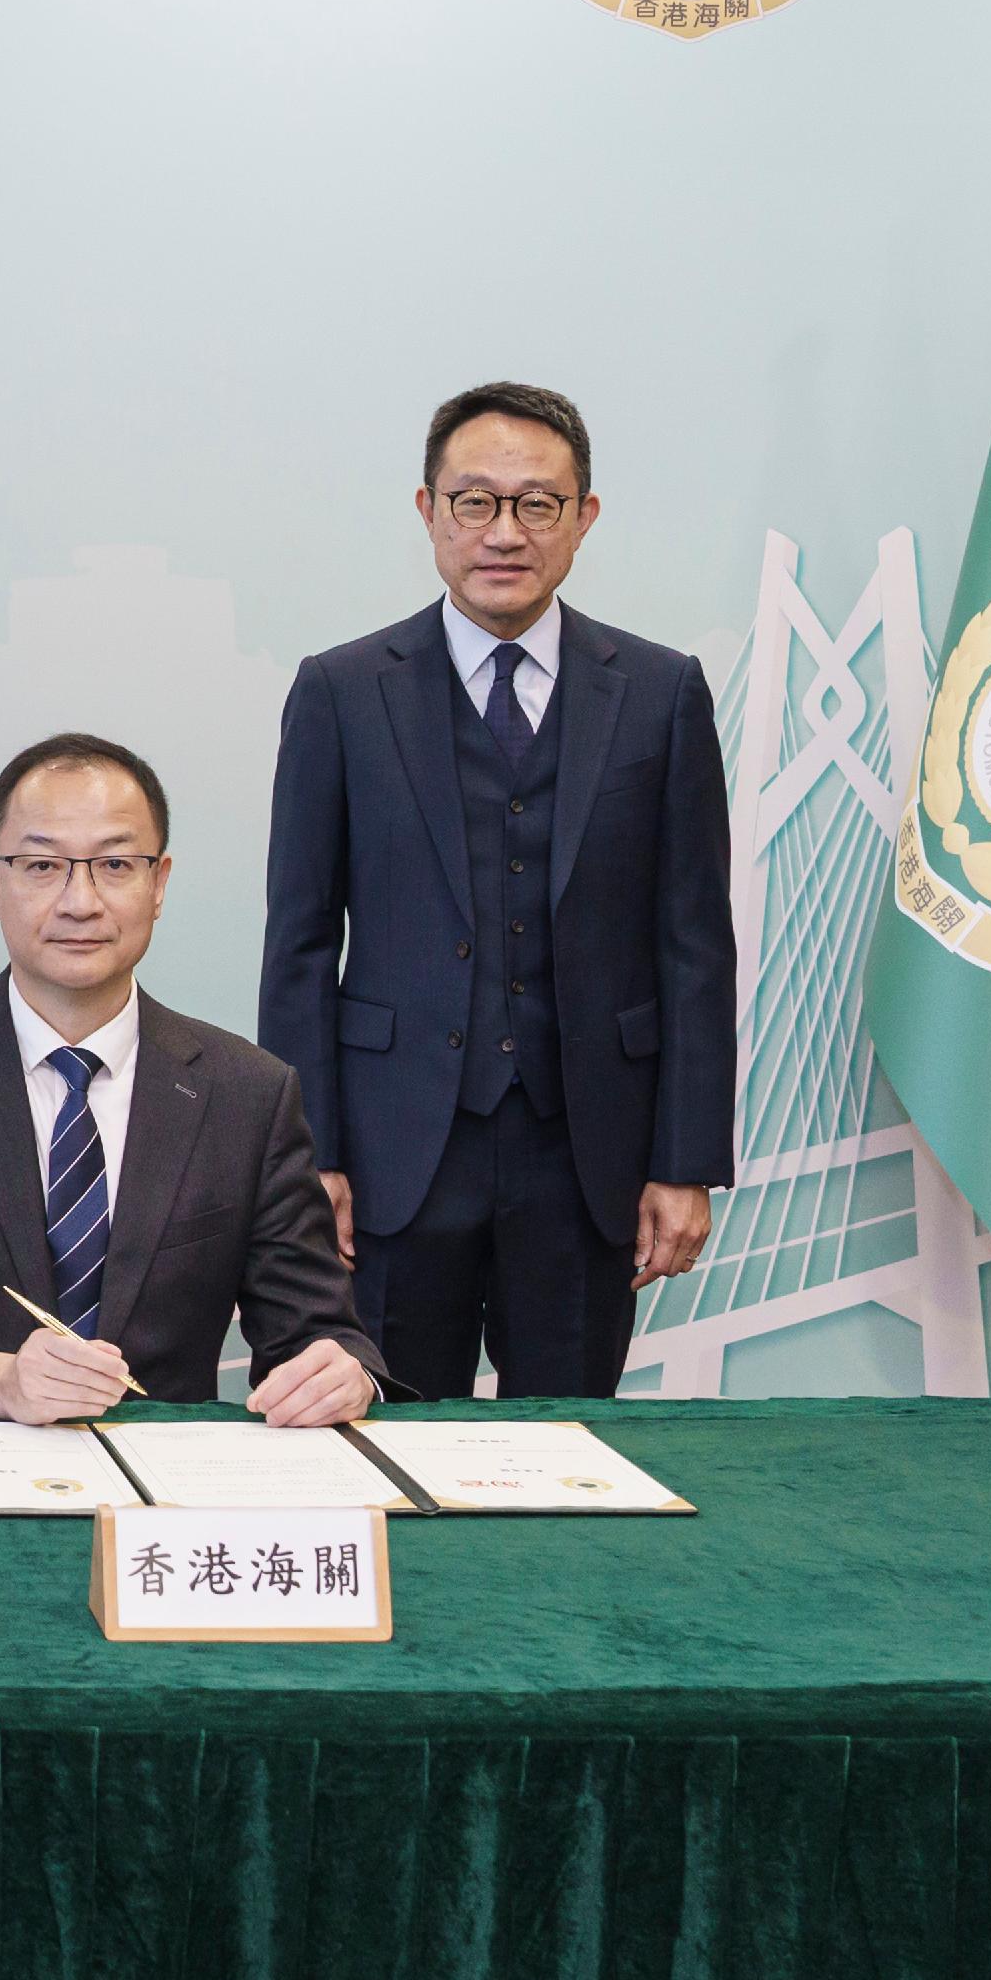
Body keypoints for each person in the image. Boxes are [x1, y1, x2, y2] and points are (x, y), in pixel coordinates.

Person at [259, 381, 734, 1400]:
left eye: (537, 504)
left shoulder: (660, 693)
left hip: (589, 1157)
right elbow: (299, 943)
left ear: (583, 517)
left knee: (568, 1447)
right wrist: (310, 1158)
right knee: (382, 1432)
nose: (504, 532)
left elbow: (693, 942)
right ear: (428, 511)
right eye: (474, 501)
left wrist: (684, 1159)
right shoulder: (342, 691)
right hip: (392, 1157)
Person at [0, 734, 386, 1425]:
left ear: (159, 884)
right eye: (42, 865)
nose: (81, 901)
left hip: (163, 1476)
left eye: (115, 864)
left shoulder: (248, 1092)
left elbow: (319, 1332)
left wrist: (344, 1373)